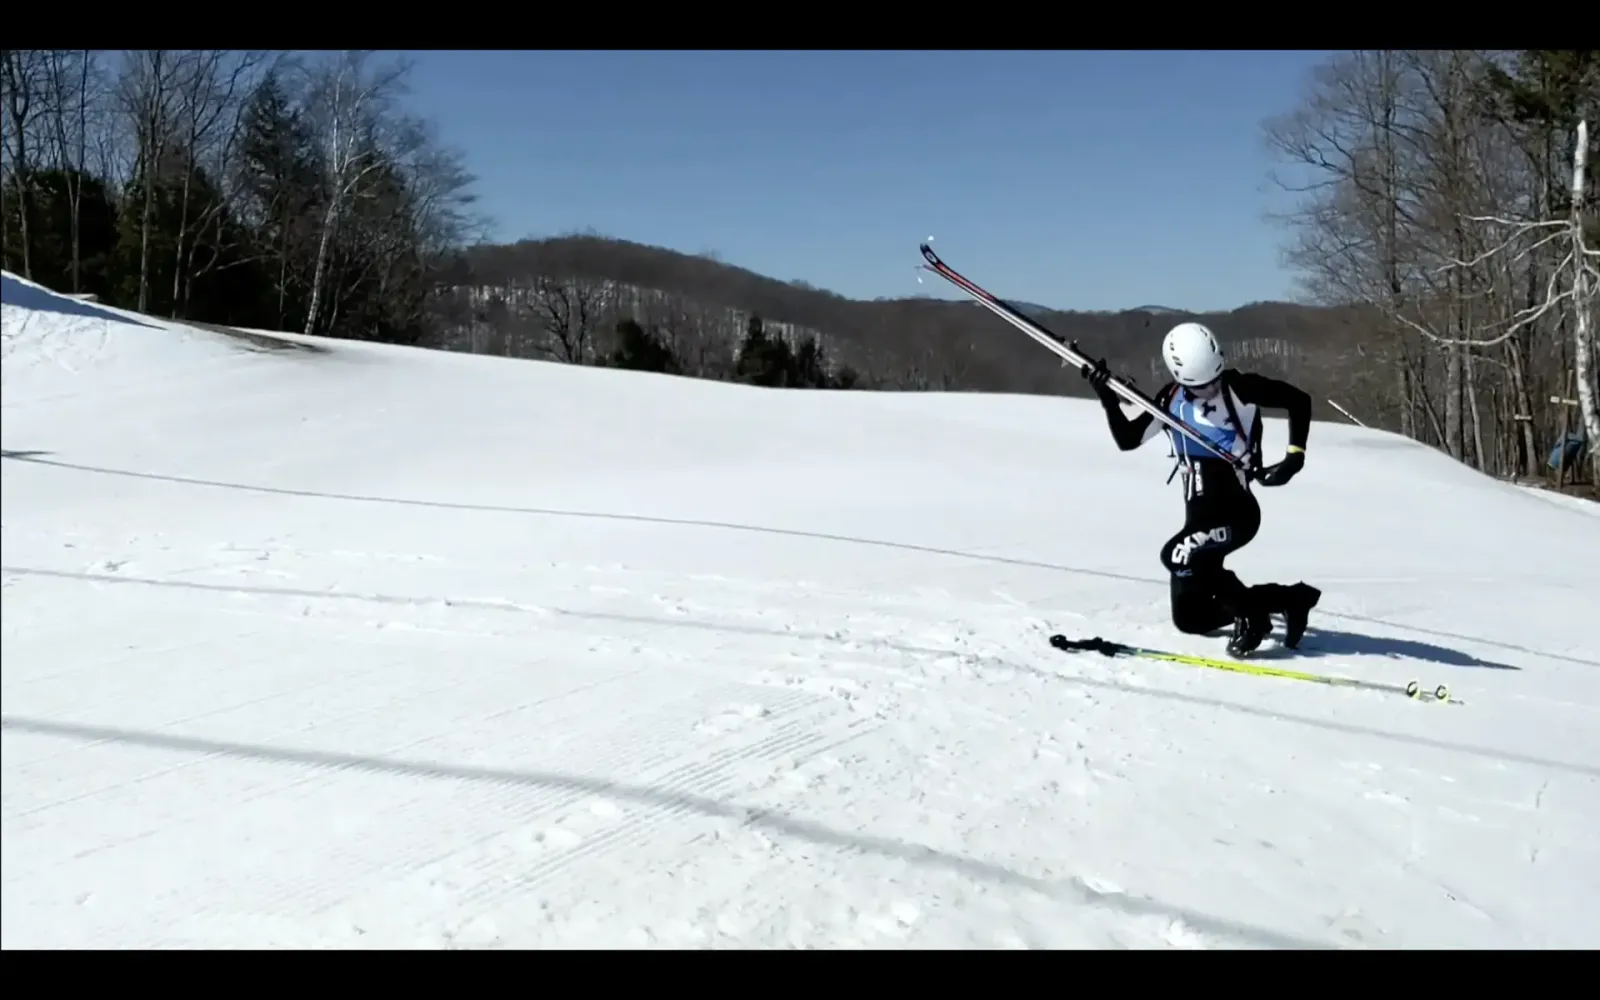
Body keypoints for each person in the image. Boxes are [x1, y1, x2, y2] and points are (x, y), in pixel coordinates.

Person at [1081, 322, 1321, 656]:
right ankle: (1290, 600)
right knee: (1191, 619)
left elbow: (1298, 401)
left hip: (1236, 514)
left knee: (1176, 555)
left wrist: (1294, 456)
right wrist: (1108, 399)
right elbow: (1128, 439)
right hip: (1199, 523)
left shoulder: (1239, 388)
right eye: (1199, 387)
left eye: (1213, 381)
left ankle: (1252, 616)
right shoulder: (1171, 399)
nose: (1209, 391)